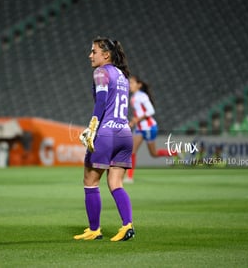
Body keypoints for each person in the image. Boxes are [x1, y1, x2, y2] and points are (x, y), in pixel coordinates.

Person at [74, 37, 135, 242]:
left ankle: (94, 229)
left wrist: (92, 126)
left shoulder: (101, 72)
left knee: (90, 182)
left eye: (94, 51)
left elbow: (101, 101)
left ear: (106, 55)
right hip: (125, 134)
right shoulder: (123, 76)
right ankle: (127, 225)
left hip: (107, 133)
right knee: (116, 182)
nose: (90, 55)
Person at [125, 75, 174, 183]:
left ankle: (174, 153)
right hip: (140, 128)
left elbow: (151, 111)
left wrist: (137, 120)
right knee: (131, 151)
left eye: (132, 83)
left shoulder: (142, 96)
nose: (130, 85)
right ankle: (129, 177)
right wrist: (134, 121)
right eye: (130, 83)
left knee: (154, 154)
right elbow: (139, 113)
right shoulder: (133, 97)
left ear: (139, 85)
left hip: (149, 127)